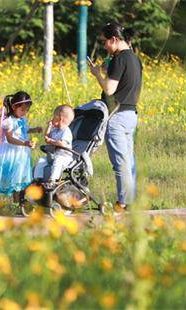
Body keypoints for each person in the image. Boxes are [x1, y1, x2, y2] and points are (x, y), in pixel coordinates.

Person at [88, 22, 142, 211]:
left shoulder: (119, 60)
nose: (104, 46)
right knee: (129, 161)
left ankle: (123, 203)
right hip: (131, 114)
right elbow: (125, 81)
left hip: (117, 116)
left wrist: (96, 74)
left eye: (105, 42)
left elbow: (110, 89)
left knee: (121, 163)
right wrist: (106, 68)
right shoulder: (134, 59)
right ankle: (131, 201)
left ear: (114, 39)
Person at [0, 91, 42, 202]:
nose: (24, 112)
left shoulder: (22, 119)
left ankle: (20, 202)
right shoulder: (8, 122)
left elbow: (23, 130)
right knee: (14, 178)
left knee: (21, 177)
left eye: (27, 110)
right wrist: (25, 143)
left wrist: (34, 129)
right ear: (13, 107)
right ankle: (17, 201)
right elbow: (10, 139)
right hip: (11, 152)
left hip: (22, 152)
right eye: (22, 110)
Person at [33, 105, 75, 188]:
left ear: (60, 118)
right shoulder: (55, 129)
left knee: (58, 161)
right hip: (54, 155)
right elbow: (47, 136)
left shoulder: (66, 131)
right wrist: (49, 127)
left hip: (64, 157)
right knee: (41, 161)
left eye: (54, 117)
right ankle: (37, 179)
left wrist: (51, 141)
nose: (52, 119)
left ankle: (52, 180)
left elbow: (62, 144)